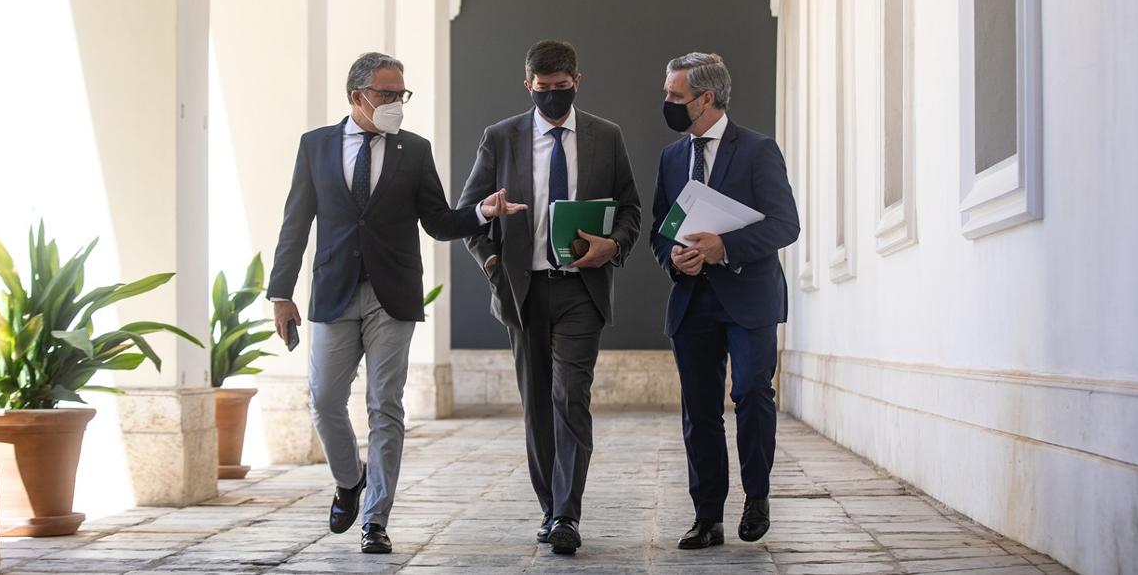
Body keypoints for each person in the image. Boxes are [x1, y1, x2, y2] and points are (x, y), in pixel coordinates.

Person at [267, 52, 525, 554]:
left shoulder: (414, 150)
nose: (395, 104)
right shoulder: (315, 146)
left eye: (400, 94)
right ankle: (350, 481)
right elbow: (295, 223)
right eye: (385, 94)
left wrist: (480, 211)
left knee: (385, 405)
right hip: (333, 292)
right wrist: (281, 293)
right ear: (356, 96)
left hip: (394, 296)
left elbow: (438, 221)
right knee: (323, 400)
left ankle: (375, 519)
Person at [457, 40, 641, 555]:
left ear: (577, 82)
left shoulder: (606, 137)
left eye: (562, 89)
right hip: (524, 290)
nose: (553, 99)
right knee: (537, 403)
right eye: (543, 91)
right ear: (528, 87)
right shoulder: (501, 138)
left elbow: (630, 208)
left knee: (570, 397)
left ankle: (566, 514)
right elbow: (470, 212)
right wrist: (493, 264)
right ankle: (549, 507)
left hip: (582, 289)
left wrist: (614, 246)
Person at [648, 52, 800, 550]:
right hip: (693, 303)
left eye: (675, 95)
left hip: (750, 297)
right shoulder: (672, 158)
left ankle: (757, 496)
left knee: (753, 393)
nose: (667, 103)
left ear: (706, 98)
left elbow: (785, 225)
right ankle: (707, 516)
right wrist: (674, 257)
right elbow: (658, 229)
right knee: (700, 409)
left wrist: (724, 247)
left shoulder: (757, 151)